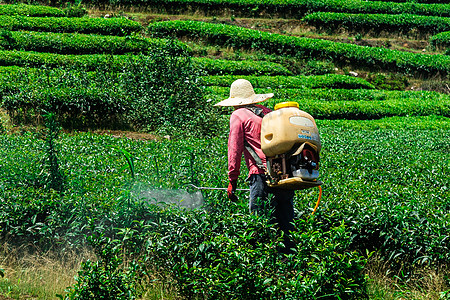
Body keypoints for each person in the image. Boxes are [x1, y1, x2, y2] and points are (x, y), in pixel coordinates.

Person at [214, 79, 296, 255]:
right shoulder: (269, 113)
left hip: (260, 175)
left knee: (258, 223)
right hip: (284, 174)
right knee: (286, 223)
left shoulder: (238, 115)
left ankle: (261, 262)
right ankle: (289, 263)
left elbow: (234, 150)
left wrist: (232, 180)